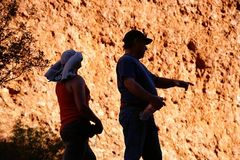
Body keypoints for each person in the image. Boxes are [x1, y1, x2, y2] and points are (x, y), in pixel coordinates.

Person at [116, 30, 193, 160]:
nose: (145, 48)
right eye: (143, 44)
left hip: (144, 114)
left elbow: (155, 81)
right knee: (133, 154)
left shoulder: (137, 64)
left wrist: (176, 82)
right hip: (134, 113)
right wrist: (151, 98)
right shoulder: (126, 61)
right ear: (135, 42)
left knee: (153, 155)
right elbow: (129, 83)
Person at [45, 50, 103, 160]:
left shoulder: (60, 84)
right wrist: (97, 122)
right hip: (77, 127)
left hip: (67, 128)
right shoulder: (77, 80)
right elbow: (81, 107)